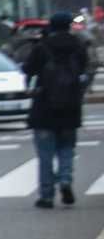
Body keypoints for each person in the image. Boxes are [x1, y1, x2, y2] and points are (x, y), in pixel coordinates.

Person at [22, 12, 90, 208]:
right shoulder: (78, 46)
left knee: (45, 154)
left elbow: (28, 69)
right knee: (67, 149)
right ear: (69, 25)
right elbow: (84, 69)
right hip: (70, 107)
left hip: (44, 107)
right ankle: (66, 180)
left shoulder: (42, 47)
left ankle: (47, 195)